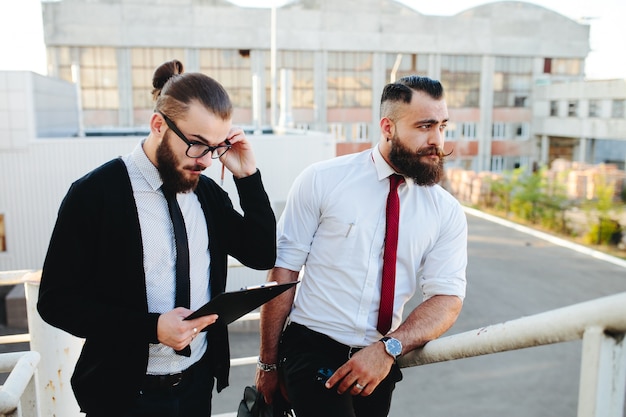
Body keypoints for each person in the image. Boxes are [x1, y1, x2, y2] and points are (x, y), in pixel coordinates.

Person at [37, 59, 276, 417]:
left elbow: (261, 253)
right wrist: (151, 328)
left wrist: (247, 177)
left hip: (196, 387)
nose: (207, 161)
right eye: (196, 145)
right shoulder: (94, 194)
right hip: (122, 396)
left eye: (216, 148)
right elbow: (55, 302)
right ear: (158, 124)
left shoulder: (207, 194)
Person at [255, 75, 467, 417]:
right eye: (425, 126)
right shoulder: (322, 180)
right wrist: (267, 363)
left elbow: (447, 298)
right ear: (388, 127)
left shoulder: (446, 211)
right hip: (312, 347)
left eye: (442, 126)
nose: (438, 141)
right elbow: (284, 271)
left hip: (379, 358)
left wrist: (389, 348)